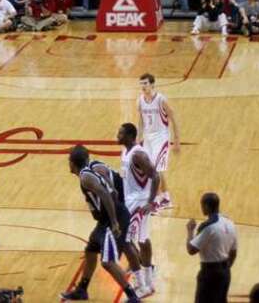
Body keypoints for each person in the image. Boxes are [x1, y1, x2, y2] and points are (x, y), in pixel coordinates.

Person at [60, 145, 141, 302]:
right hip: (106, 220)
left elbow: (104, 194)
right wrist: (113, 190)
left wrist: (115, 222)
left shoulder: (85, 177)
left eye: (69, 161)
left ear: (72, 163)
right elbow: (107, 184)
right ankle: (82, 290)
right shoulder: (89, 171)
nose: (68, 164)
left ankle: (133, 297)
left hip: (113, 218)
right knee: (91, 249)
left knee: (108, 262)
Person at [117, 123, 160, 298]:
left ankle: (142, 283)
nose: (117, 135)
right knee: (141, 239)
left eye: (120, 133)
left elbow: (155, 175)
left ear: (129, 136)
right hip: (131, 201)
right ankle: (148, 279)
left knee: (127, 241)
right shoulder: (126, 152)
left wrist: (150, 202)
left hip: (139, 202)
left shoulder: (138, 154)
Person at [137, 73, 181, 210]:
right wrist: (139, 139)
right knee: (155, 170)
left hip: (161, 137)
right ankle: (166, 198)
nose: (143, 86)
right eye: (141, 84)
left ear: (152, 84)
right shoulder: (140, 101)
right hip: (148, 138)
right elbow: (140, 122)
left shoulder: (161, 100)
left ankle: (155, 200)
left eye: (145, 83)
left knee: (156, 169)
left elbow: (173, 119)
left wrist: (176, 140)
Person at [186, 192, 238, 303]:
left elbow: (191, 250)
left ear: (206, 206)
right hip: (225, 273)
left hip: (209, 273)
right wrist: (225, 269)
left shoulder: (208, 227)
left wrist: (190, 230)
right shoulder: (230, 223)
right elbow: (233, 253)